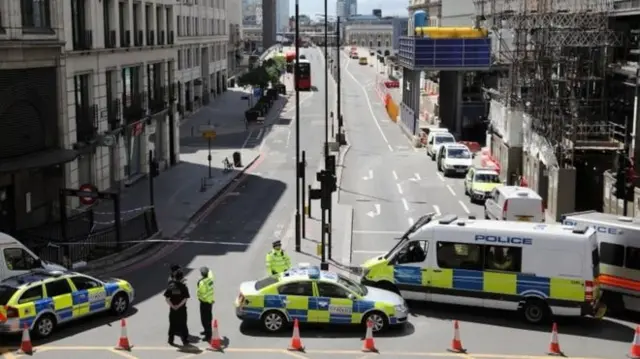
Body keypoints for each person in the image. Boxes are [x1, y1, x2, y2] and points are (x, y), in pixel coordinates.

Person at [164, 269, 190, 346]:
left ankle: (170, 340)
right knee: (183, 324)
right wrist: (178, 306)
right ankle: (185, 340)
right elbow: (185, 299)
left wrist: (173, 306)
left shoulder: (171, 287)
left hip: (173, 310)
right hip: (182, 310)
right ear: (181, 277)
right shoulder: (184, 287)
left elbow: (167, 299)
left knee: (172, 324)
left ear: (174, 277)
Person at [197, 267, 215, 341]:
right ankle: (206, 331)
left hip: (204, 302)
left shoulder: (202, 282)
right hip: (210, 301)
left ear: (202, 274)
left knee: (204, 319)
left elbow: (201, 292)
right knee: (209, 317)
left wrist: (199, 297)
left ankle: (208, 335)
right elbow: (210, 272)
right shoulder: (210, 279)